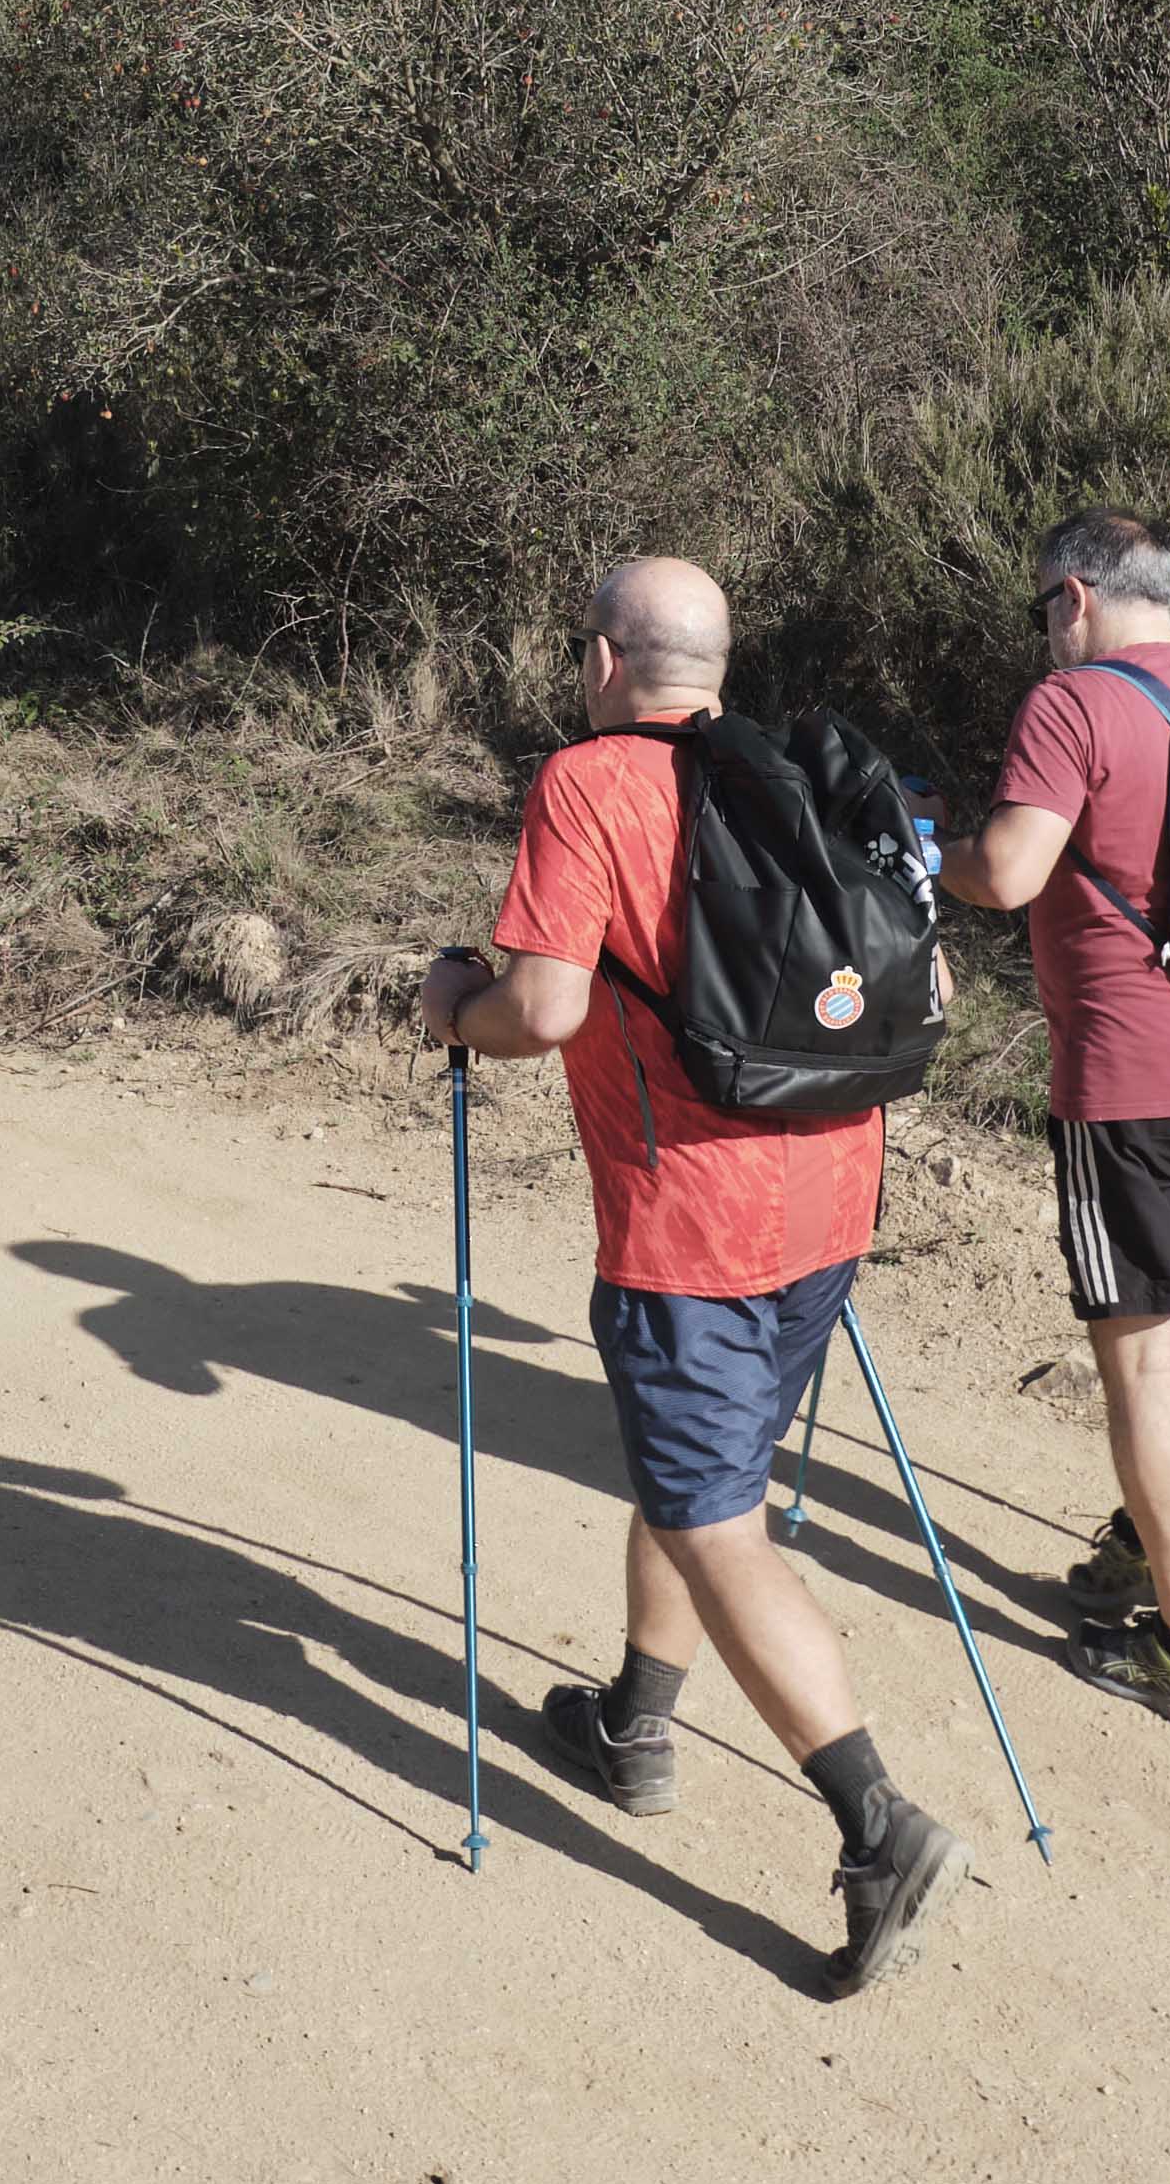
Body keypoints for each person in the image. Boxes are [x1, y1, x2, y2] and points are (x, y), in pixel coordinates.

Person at [414, 553, 967, 1994]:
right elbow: (933, 981)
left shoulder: (588, 782)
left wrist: (453, 1007)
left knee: (716, 1515)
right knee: (697, 1475)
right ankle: (635, 1721)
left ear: (604, 659)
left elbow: (544, 1007)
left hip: (688, 1227)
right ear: (717, 662)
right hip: (831, 1199)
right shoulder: (800, 775)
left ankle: (877, 1823)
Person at [940, 510, 1170, 1737]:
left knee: (1143, 1359)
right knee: (1166, 1329)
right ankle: (1147, 1532)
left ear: (1078, 594)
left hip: (1132, 1086)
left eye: (1043, 605)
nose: (1044, 628)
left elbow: (1008, 872)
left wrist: (920, 851)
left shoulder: (1074, 702)